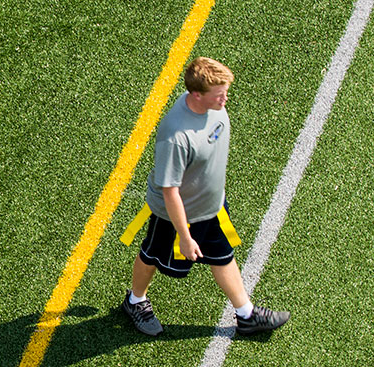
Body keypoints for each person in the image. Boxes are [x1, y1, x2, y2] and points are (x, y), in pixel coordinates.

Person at [120, 57, 287, 338]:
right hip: (175, 216)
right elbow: (169, 190)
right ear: (196, 95)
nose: (225, 99)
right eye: (219, 94)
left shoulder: (213, 106)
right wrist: (184, 236)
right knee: (151, 256)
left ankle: (246, 315)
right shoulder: (176, 136)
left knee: (223, 256)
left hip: (211, 207)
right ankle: (135, 301)